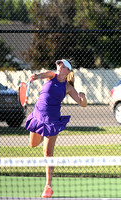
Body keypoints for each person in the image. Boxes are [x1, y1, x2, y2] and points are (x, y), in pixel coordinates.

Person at [25, 59, 87, 198]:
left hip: (52, 121)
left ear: (68, 72)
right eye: (59, 64)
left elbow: (82, 104)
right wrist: (36, 76)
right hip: (37, 117)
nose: (60, 67)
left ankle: (48, 186)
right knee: (33, 144)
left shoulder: (68, 87)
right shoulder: (51, 75)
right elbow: (42, 74)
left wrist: (83, 99)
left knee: (48, 153)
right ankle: (43, 136)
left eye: (63, 66)